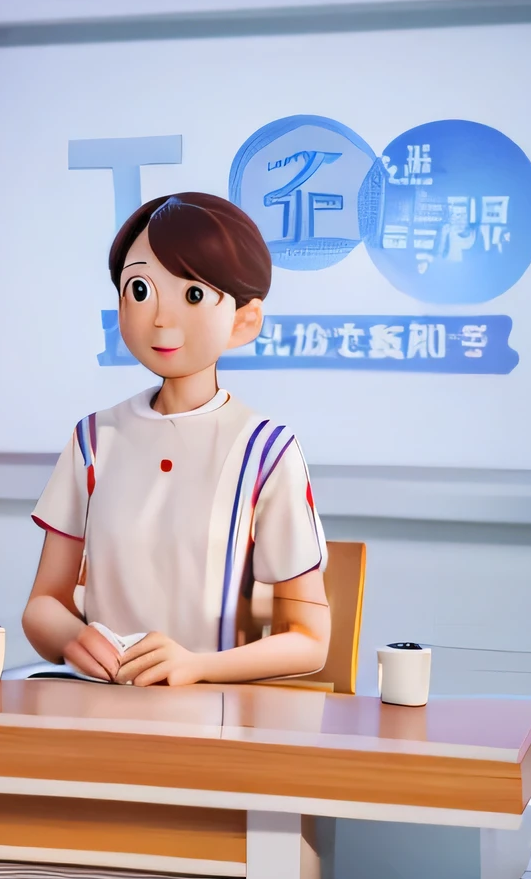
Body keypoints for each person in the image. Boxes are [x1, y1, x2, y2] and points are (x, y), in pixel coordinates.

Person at [21, 193, 331, 686]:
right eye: (140, 290)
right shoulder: (94, 439)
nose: (161, 320)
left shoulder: (266, 451)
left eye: (192, 296)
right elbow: (43, 605)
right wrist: (71, 639)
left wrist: (196, 666)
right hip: (101, 710)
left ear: (244, 319)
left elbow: (311, 640)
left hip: (213, 723)